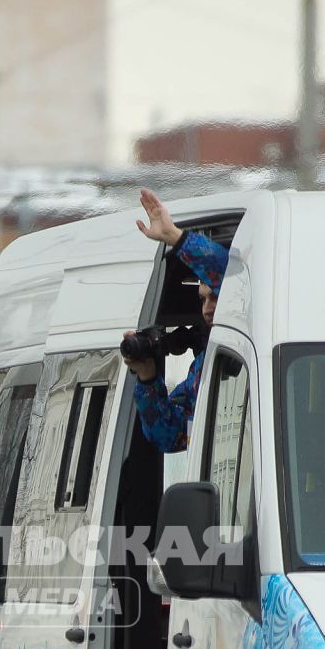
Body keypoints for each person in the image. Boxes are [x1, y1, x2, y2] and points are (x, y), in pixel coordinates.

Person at [124, 188, 231, 455]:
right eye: (203, 299)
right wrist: (148, 376)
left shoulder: (247, 348)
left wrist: (174, 236)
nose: (207, 309)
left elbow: (228, 272)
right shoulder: (205, 365)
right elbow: (171, 437)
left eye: (215, 298)